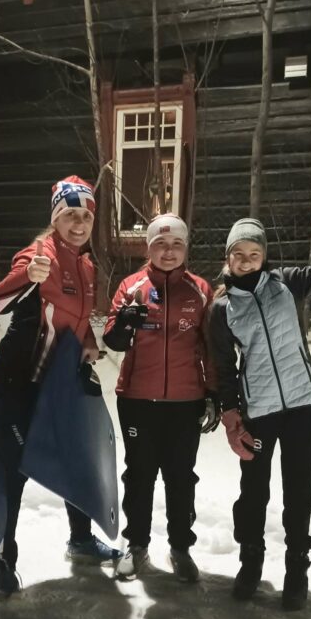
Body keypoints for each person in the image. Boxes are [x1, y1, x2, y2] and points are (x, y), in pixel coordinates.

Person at [207, 210, 311, 609]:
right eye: (238, 253)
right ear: (228, 257)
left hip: (300, 405)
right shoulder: (222, 308)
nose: (246, 259)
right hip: (259, 411)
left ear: (264, 255)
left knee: (300, 489)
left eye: (254, 252)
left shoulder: (287, 284)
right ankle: (250, 563)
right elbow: (222, 366)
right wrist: (230, 414)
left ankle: (296, 567)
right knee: (253, 492)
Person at [0, 176, 121, 596]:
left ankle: (80, 539)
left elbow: (78, 320)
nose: (79, 224)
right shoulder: (39, 252)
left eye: (85, 216)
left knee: (74, 460)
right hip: (19, 382)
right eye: (70, 215)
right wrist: (27, 275)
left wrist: (90, 345)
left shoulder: (85, 265)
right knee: (15, 473)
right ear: (55, 218)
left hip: (59, 383)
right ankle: (3, 556)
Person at [102, 214, 219, 583]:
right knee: (139, 475)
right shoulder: (131, 285)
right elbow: (112, 339)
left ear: (186, 248)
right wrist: (124, 322)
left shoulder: (200, 289)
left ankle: (181, 548)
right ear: (149, 247)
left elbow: (212, 347)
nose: (168, 252)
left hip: (186, 400)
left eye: (176, 245)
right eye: (160, 245)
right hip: (137, 398)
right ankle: (136, 546)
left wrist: (214, 393)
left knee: (180, 477)